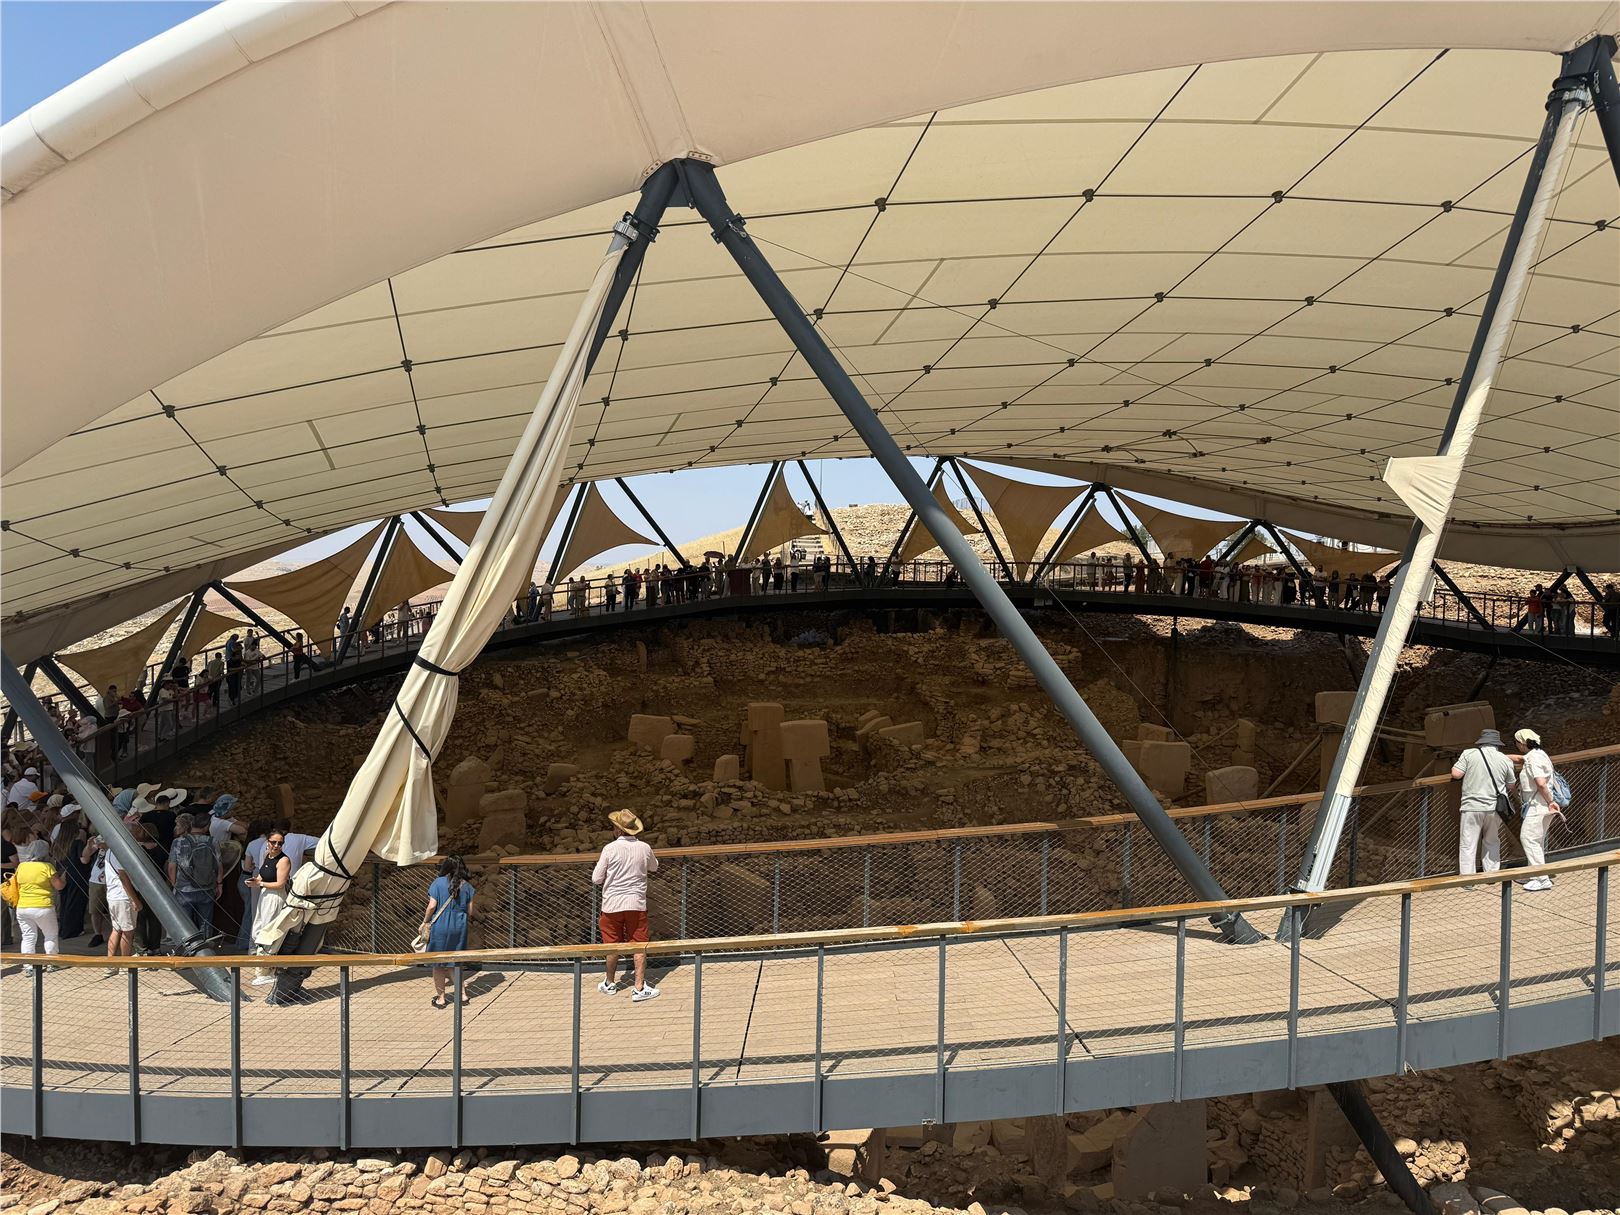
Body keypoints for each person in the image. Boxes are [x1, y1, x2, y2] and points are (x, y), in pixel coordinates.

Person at [591, 809, 660, 1002]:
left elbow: (596, 878)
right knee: (639, 945)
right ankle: (639, 987)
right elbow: (654, 867)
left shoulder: (609, 849)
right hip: (636, 903)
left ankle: (610, 982)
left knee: (612, 945)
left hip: (611, 904)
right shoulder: (644, 847)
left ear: (618, 830)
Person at [1449, 729, 1518, 877]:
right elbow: (1511, 784)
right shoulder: (1505, 759)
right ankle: (1491, 874)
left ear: (1481, 742)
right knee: (1492, 840)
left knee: (1468, 843)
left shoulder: (1469, 754)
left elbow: (1456, 774)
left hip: (1471, 806)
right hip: (1495, 807)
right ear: (1497, 744)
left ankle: (1468, 878)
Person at [421, 856, 476, 1008]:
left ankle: (441, 999)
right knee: (454, 962)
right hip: (459, 928)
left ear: (445, 867)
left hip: (440, 926)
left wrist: (425, 921)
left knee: (438, 964)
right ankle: (463, 995)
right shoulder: (468, 887)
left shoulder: (438, 883)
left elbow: (432, 906)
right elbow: (470, 911)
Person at [1512, 728, 1561, 891]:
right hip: (1540, 804)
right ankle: (1534, 874)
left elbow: (1540, 783)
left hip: (1539, 805)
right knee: (1537, 840)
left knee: (1528, 838)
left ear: (1521, 743)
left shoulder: (1533, 758)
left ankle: (1542, 879)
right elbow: (1520, 759)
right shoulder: (1538, 754)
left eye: (1516, 742)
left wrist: (1551, 802)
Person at [246, 830, 292, 984]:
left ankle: (265, 971)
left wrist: (260, 883)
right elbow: (262, 875)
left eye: (280, 843)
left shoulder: (284, 860)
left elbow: (280, 884)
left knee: (268, 932)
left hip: (275, 897)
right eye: (274, 842)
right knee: (258, 929)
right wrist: (255, 881)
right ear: (268, 842)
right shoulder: (267, 856)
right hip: (264, 896)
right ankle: (264, 968)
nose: (276, 845)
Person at [13, 838, 66, 964]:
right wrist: (64, 878)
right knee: (50, 935)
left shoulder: (21, 866)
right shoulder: (47, 867)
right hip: (43, 906)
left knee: (28, 937)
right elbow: (59, 886)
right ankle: (52, 963)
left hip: (23, 907)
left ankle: (28, 966)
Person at [168, 812, 221, 937]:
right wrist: (220, 884)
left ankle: (189, 946)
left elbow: (172, 866)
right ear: (206, 827)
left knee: (184, 924)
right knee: (205, 922)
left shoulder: (178, 842)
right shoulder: (212, 841)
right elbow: (219, 864)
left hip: (184, 889)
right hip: (207, 887)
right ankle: (205, 945)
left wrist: (173, 884)